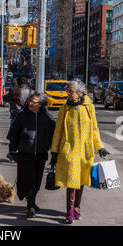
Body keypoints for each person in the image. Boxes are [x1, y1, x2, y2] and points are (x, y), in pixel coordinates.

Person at [50, 79, 109, 224]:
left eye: (71, 91)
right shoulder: (65, 108)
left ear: (80, 93)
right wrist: (54, 151)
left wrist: (100, 147)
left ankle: (77, 208)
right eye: (68, 91)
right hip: (68, 150)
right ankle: (69, 212)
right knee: (71, 182)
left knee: (81, 180)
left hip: (85, 150)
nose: (68, 94)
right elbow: (58, 131)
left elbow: (94, 128)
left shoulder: (89, 107)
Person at [7, 92, 56, 218]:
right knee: (26, 180)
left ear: (40, 104)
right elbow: (14, 133)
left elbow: (54, 133)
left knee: (37, 181)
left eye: (33, 102)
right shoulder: (22, 116)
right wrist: (12, 149)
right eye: (29, 101)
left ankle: (32, 201)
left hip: (40, 153)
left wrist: (50, 147)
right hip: (25, 152)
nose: (30, 103)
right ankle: (30, 206)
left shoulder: (47, 116)